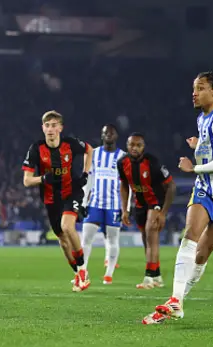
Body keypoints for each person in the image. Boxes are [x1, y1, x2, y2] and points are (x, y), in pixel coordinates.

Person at [143, 71, 213, 325]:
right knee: (190, 234)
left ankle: (179, 301)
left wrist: (193, 168)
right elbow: (212, 148)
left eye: (200, 88)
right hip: (205, 187)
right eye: (194, 88)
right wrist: (198, 146)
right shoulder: (204, 118)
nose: (194, 92)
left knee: (202, 254)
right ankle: (175, 301)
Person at [22, 110, 94, 292]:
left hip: (72, 192)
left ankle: (83, 271)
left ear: (60, 128)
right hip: (51, 199)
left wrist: (86, 173)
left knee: (67, 226)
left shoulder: (70, 144)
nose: (51, 129)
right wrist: (44, 179)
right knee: (62, 240)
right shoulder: (36, 149)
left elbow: (89, 150)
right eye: (47, 126)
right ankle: (78, 273)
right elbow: (27, 180)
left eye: (54, 125)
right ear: (43, 128)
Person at [118, 133, 175, 289]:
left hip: (155, 202)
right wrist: (125, 209)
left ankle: (149, 278)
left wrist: (163, 212)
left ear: (143, 147)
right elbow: (124, 186)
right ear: (127, 145)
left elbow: (171, 186)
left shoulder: (152, 162)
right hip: (139, 204)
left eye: (138, 145)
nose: (134, 148)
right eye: (131, 145)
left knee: (151, 234)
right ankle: (156, 276)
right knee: (146, 239)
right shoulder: (122, 163)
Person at [81, 124, 125, 284]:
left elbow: (127, 185)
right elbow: (89, 179)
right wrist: (84, 202)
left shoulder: (123, 157)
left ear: (116, 136)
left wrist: (126, 208)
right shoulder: (95, 153)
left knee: (113, 240)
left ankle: (109, 274)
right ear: (102, 135)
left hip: (114, 205)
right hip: (94, 204)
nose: (108, 135)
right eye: (105, 133)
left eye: (111, 133)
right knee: (85, 240)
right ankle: (82, 272)